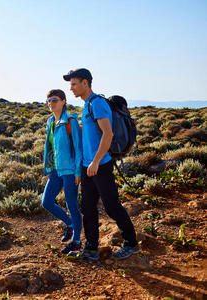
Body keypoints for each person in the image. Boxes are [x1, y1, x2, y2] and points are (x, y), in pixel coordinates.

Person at [63, 68, 139, 260]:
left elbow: (108, 134)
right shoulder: (87, 105)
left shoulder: (97, 103)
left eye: (74, 84)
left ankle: (131, 243)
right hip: (88, 165)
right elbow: (91, 135)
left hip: (100, 165)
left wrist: (96, 161)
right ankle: (91, 249)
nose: (71, 88)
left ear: (85, 83)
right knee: (87, 207)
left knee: (112, 206)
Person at [42, 89, 83, 254]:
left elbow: (79, 148)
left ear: (63, 101)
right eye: (49, 101)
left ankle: (77, 242)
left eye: (54, 100)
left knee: (71, 204)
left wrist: (79, 171)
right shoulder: (50, 122)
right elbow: (49, 146)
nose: (51, 103)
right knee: (46, 202)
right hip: (56, 170)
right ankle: (70, 224)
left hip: (70, 170)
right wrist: (48, 168)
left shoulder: (70, 121)